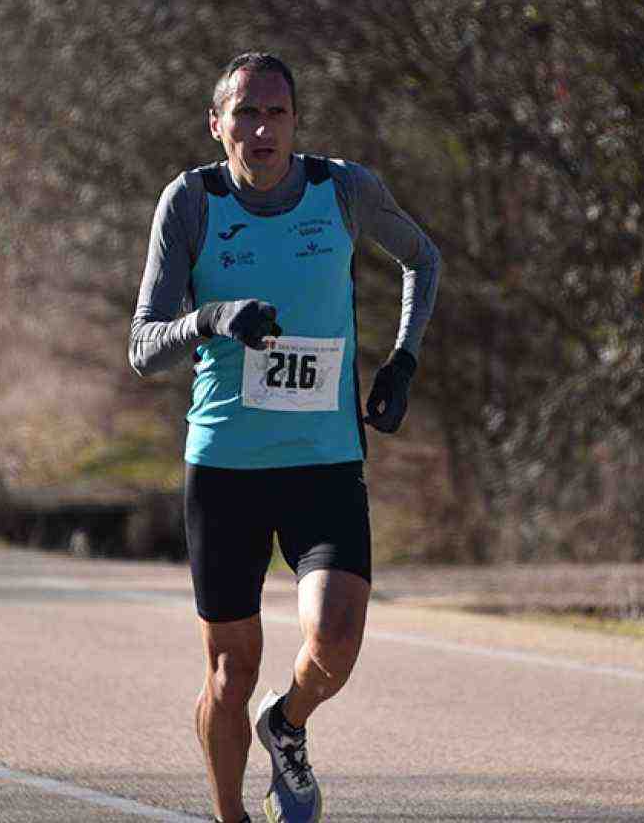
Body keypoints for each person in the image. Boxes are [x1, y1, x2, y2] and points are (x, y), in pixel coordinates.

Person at [130, 53, 440, 823]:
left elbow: (422, 259)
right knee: (230, 676)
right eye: (244, 114)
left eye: (275, 113)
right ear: (217, 124)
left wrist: (402, 361)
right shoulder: (191, 202)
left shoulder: (343, 192)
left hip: (323, 461)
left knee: (335, 637)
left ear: (296, 122)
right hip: (226, 466)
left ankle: (288, 723)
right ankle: (230, 815)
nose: (260, 129)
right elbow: (143, 347)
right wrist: (210, 318)